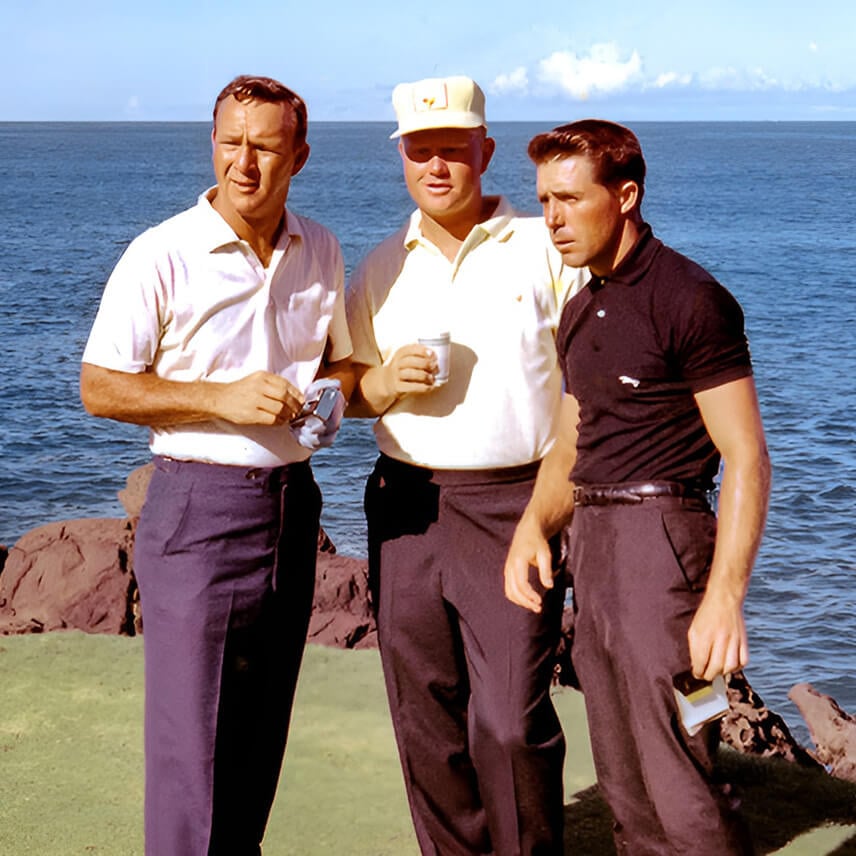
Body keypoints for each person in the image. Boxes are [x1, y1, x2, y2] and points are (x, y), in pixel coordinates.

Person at [79, 75, 352, 856]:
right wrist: (218, 401)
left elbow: (332, 369)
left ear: (298, 154)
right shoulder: (161, 252)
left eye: (264, 146)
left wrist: (333, 400)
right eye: (230, 142)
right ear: (212, 144)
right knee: (189, 754)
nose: (244, 162)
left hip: (294, 508)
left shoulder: (321, 247)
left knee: (258, 740)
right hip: (196, 508)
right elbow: (100, 388)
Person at [505, 119, 772, 855]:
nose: (551, 218)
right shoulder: (578, 307)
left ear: (624, 196)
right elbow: (571, 443)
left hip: (668, 552)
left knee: (683, 766)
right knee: (623, 779)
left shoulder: (689, 298)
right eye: (543, 200)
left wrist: (724, 598)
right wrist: (534, 526)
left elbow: (746, 456)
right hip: (594, 549)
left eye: (568, 198)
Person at [346, 75, 587, 855]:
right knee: (426, 719)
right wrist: (381, 383)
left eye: (454, 149)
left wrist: (550, 513)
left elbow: (586, 388)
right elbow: (346, 389)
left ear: (484, 150)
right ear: (403, 161)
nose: (437, 166)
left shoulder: (543, 248)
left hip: (515, 503)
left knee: (511, 723)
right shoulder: (384, 265)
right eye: (421, 152)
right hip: (407, 506)